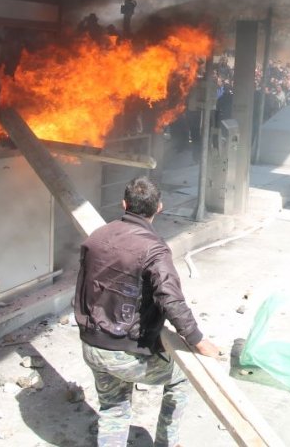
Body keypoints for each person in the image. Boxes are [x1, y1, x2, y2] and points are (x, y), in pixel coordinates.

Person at [75, 177, 221, 446]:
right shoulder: (154, 249)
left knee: (113, 409)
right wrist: (198, 340)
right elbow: (171, 299)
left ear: (124, 204)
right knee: (183, 376)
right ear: (159, 207)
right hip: (125, 353)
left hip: (92, 346)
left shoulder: (96, 237)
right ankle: (167, 442)